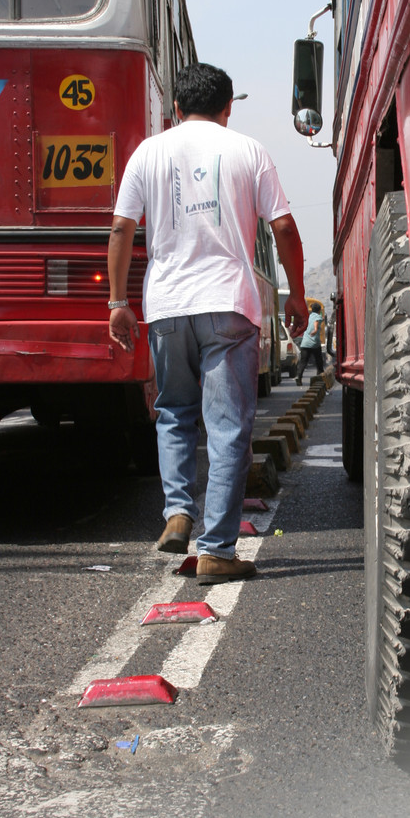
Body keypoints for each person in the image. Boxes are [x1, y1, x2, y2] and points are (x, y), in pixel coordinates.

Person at [107, 62, 308, 584]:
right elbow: (283, 226)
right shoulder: (248, 150)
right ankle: (217, 548)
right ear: (228, 108)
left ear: (175, 108)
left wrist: (117, 302)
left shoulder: (147, 153)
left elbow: (121, 228)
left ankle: (178, 512)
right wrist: (299, 296)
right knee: (227, 428)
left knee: (173, 412)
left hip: (167, 306)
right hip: (228, 305)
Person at [295, 302, 325, 385]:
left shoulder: (308, 317)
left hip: (305, 343)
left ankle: (299, 377)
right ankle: (320, 378)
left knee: (303, 362)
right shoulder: (318, 317)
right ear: (319, 310)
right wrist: (315, 330)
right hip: (314, 343)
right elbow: (317, 322)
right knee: (319, 362)